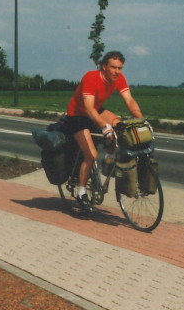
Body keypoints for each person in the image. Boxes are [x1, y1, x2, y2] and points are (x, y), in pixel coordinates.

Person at [61, 51, 143, 209]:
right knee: (91, 154)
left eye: (120, 68)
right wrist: (104, 126)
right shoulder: (91, 77)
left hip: (96, 111)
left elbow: (129, 100)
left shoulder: (119, 79)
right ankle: (82, 192)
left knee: (120, 127)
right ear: (104, 66)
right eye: (113, 67)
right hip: (77, 116)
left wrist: (140, 120)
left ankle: (108, 159)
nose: (117, 71)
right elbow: (88, 109)